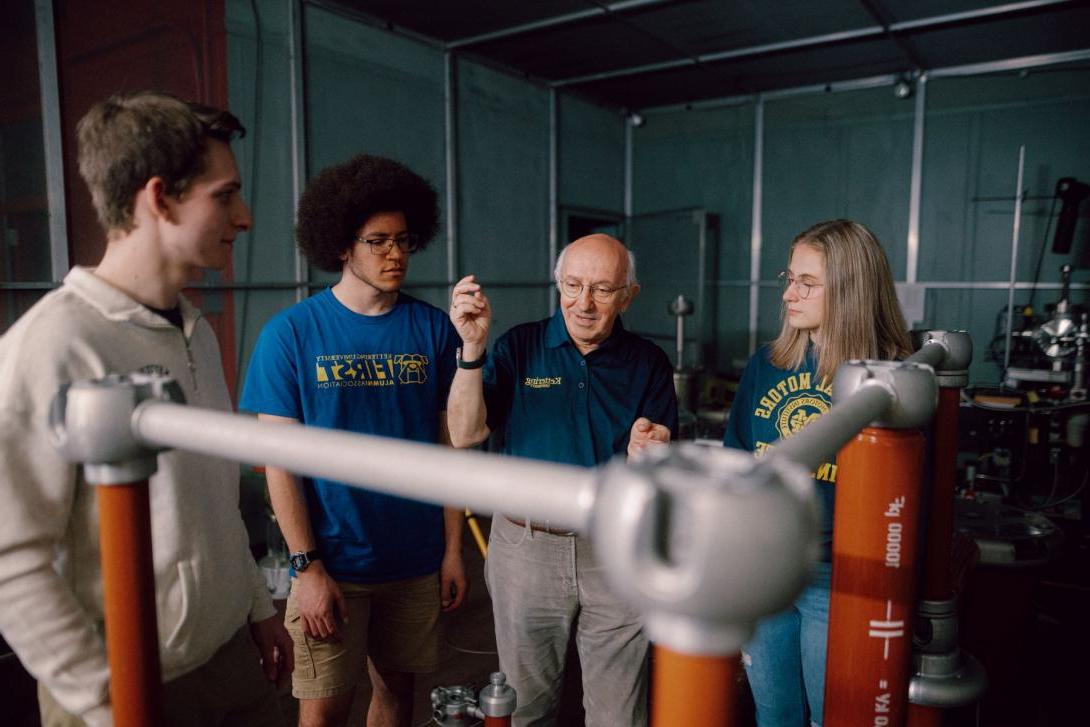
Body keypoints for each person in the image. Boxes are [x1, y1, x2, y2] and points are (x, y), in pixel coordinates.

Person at [0, 91, 291, 727]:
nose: (243, 217)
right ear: (159, 199)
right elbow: (9, 561)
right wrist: (110, 701)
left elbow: (212, 498)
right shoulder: (52, 345)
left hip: (230, 660)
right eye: (224, 195)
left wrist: (256, 610)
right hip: (126, 682)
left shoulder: (196, 333)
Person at [240, 154, 466, 727]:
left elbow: (449, 449)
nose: (396, 254)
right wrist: (306, 568)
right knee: (325, 708)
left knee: (396, 695)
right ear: (342, 246)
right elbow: (280, 465)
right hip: (334, 563)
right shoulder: (291, 334)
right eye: (378, 241)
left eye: (405, 240)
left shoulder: (434, 328)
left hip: (414, 561)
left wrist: (452, 551)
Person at [447, 233, 678, 727]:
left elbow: (659, 460)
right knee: (525, 708)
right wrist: (471, 350)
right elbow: (464, 433)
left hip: (615, 548)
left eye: (602, 289)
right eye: (572, 285)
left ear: (628, 294)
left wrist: (650, 449)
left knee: (618, 714)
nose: (584, 303)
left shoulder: (648, 362)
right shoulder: (519, 346)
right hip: (527, 547)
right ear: (557, 284)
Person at [723, 219, 912, 726]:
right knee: (775, 714)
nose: (789, 293)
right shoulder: (767, 363)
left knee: (836, 716)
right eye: (789, 277)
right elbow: (738, 455)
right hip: (768, 568)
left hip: (842, 578)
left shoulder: (892, 378)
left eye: (808, 282)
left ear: (851, 288)